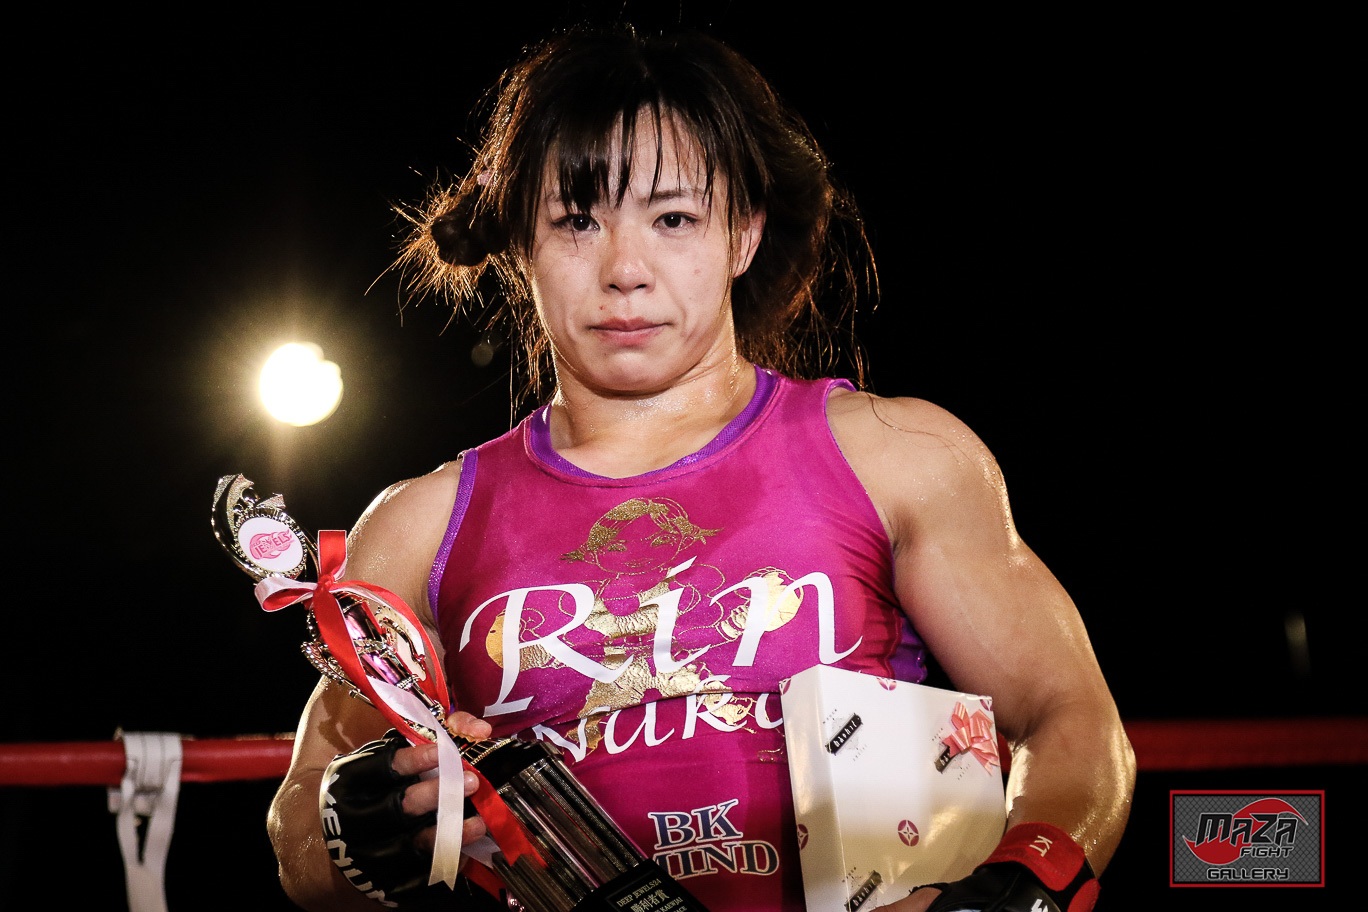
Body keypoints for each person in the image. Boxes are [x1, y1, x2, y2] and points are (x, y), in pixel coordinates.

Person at [266, 22, 1136, 912]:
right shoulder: (420, 526)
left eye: (673, 218)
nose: (626, 270)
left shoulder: (896, 455)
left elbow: (1068, 716)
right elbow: (302, 821)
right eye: (576, 221)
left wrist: (1019, 887)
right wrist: (358, 831)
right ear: (522, 241)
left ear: (743, 234)